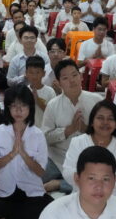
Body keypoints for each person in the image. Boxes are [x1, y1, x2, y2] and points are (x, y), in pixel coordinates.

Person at [0, 86, 52, 219]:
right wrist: (12, 154)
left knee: (48, 212)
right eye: (14, 106)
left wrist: (24, 154)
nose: (18, 111)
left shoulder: (38, 135)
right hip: (3, 190)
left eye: (23, 106)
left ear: (30, 108)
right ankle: (10, 215)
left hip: (29, 191)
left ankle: (7, 217)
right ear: (8, 108)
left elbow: (40, 172)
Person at [41, 60, 103, 193]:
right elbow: (45, 137)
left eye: (74, 75)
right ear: (58, 82)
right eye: (65, 78)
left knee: (99, 182)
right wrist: (68, 131)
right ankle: (67, 181)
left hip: (88, 159)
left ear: (81, 76)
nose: (72, 81)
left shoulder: (97, 101)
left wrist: (86, 129)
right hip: (58, 158)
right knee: (32, 179)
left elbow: (105, 134)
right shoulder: (53, 105)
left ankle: (58, 184)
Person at [62, 102, 116, 199]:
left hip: (113, 197)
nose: (105, 122)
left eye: (110, 119)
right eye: (100, 118)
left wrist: (106, 160)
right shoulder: (77, 142)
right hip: (82, 196)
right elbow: (67, 173)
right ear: (92, 122)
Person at [25, 56, 56, 127]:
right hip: (28, 129)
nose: (34, 76)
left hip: (45, 130)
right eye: (31, 72)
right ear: (26, 73)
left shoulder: (50, 91)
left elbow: (52, 115)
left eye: (38, 72)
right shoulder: (24, 91)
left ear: (44, 73)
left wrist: (37, 100)